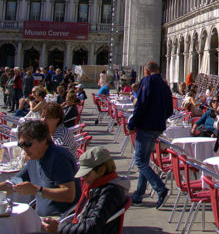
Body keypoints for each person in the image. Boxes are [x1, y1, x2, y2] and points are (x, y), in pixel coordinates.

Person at [41, 147, 130, 234]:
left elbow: (91, 228)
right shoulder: (101, 187)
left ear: (101, 170)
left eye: (87, 174)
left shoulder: (109, 193)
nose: (83, 178)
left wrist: (59, 229)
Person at [0, 120, 80, 217]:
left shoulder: (59, 158)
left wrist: (37, 190)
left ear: (44, 140)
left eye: (28, 144)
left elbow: (69, 195)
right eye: (21, 145)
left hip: (59, 219)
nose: (24, 148)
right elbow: (14, 183)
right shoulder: (34, 158)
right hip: (40, 217)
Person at [128, 61, 173, 208]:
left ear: (147, 71)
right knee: (144, 161)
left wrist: (132, 123)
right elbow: (170, 110)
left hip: (146, 126)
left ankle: (160, 188)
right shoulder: (165, 86)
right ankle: (139, 194)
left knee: (139, 161)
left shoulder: (147, 82)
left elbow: (141, 104)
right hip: (158, 128)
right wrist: (160, 119)